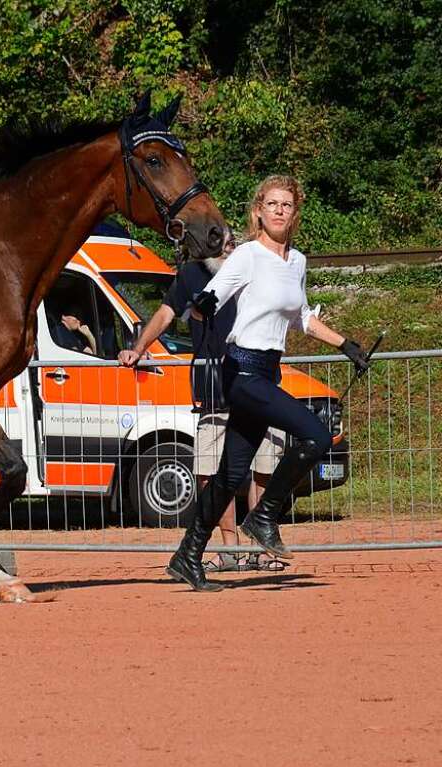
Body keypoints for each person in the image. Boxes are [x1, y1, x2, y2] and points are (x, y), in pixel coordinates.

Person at [165, 175, 370, 592]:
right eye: (272, 203)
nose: (279, 210)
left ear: (295, 214)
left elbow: (301, 317)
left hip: (266, 370)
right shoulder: (247, 256)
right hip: (240, 370)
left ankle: (187, 555)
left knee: (230, 474)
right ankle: (264, 516)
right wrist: (203, 304)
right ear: (258, 210)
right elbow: (217, 292)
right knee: (315, 434)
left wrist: (345, 344)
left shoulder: (297, 262)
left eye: (287, 205)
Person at [118, 235, 285, 572]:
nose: (226, 246)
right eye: (218, 241)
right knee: (210, 472)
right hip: (213, 391)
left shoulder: (254, 268)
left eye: (231, 241)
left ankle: (262, 550)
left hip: (259, 384)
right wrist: (139, 347)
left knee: (264, 468)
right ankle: (230, 550)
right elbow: (165, 314)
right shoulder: (191, 275)